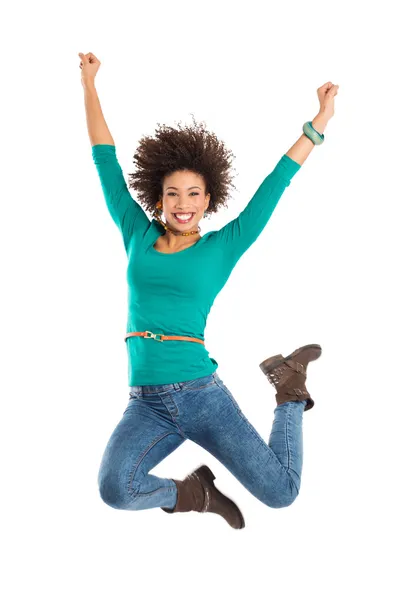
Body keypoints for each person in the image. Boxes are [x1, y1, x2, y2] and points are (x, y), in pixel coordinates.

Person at [79, 52, 338, 529]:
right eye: (173, 194)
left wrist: (317, 124)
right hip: (146, 403)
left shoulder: (222, 248)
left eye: (194, 194)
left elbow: (274, 184)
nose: (183, 204)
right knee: (115, 488)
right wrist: (88, 82)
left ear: (208, 199)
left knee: (282, 493)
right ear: (158, 198)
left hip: (201, 396)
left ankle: (290, 389)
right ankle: (195, 494)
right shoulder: (137, 234)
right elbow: (104, 159)